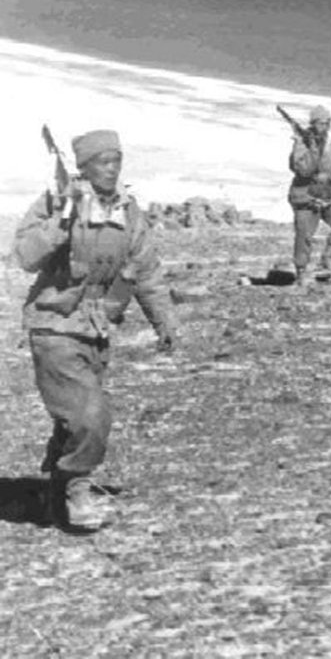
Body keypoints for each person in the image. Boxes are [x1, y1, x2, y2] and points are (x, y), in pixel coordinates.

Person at [12, 129, 177, 531]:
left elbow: (147, 272)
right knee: (90, 415)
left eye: (117, 159)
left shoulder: (127, 212)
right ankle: (76, 486)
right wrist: (63, 220)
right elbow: (24, 256)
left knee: (71, 420)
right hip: (53, 327)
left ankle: (53, 493)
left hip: (97, 331)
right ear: (83, 167)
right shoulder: (56, 203)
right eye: (104, 161)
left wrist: (164, 322)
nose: (113, 167)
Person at [287, 104, 331, 283]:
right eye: (319, 123)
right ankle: (301, 271)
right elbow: (303, 170)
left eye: (326, 123)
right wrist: (311, 147)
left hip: (327, 198)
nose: (323, 127)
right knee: (304, 235)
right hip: (305, 198)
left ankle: (327, 259)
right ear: (313, 123)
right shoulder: (302, 144)